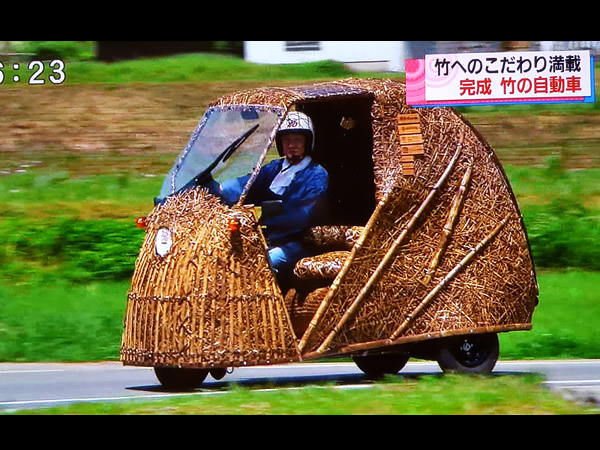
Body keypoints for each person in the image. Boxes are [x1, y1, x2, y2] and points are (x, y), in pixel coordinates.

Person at [211, 111, 329, 290]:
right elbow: (250, 183)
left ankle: (266, 307)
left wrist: (270, 215)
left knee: (265, 263)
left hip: (299, 242)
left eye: (297, 140)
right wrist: (220, 189)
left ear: (307, 142)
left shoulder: (316, 174)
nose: (292, 145)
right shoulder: (276, 169)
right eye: (287, 140)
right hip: (271, 239)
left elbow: (303, 214)